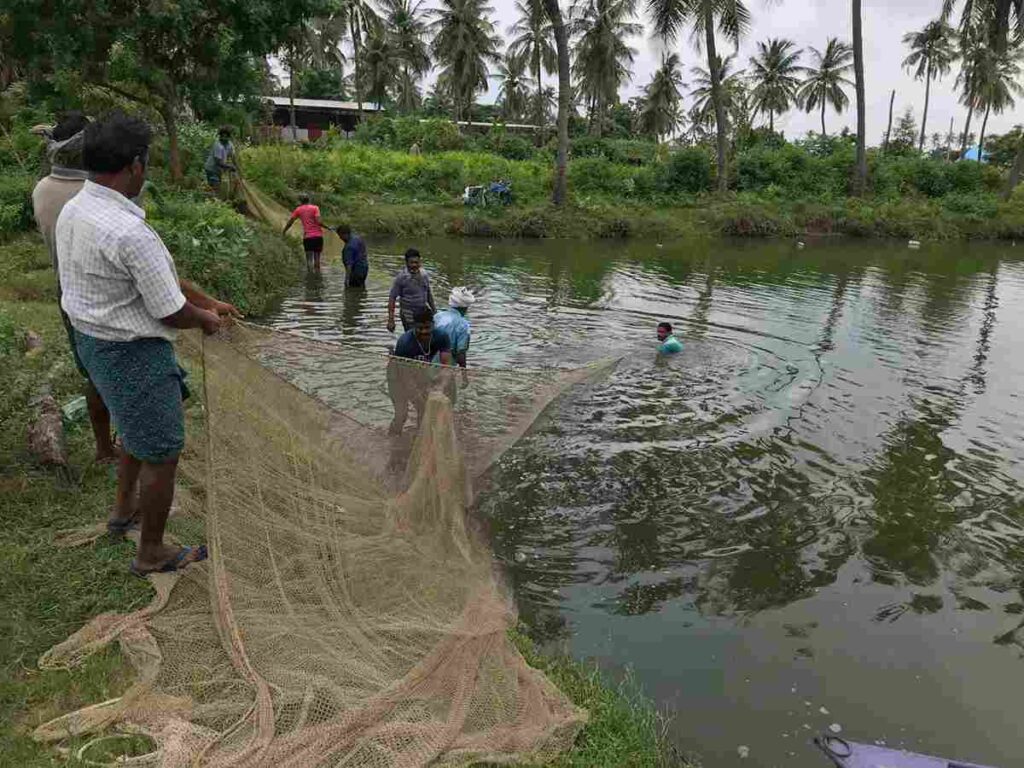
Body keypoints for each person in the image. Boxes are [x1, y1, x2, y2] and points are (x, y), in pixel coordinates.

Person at [56, 112, 240, 574]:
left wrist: (209, 301)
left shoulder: (76, 208)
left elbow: (159, 279)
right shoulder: (129, 231)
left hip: (93, 343)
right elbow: (170, 309)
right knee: (162, 450)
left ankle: (124, 510)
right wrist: (206, 320)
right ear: (135, 165)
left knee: (136, 432)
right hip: (131, 352)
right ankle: (151, 551)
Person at [32, 111, 117, 464]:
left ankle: (104, 448)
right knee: (117, 372)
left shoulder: (41, 189)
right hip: (104, 295)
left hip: (66, 293)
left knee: (93, 371)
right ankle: (125, 447)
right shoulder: (94, 195)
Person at [387, 307, 452, 435]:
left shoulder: (442, 337)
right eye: (420, 328)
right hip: (397, 375)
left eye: (427, 327)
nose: (424, 332)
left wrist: (440, 388)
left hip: (419, 370)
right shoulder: (405, 343)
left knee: (425, 411)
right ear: (413, 326)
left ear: (433, 324)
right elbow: (406, 380)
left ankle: (419, 439)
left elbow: (446, 367)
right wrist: (418, 399)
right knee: (402, 415)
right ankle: (393, 439)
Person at [387, 248, 435, 332]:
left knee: (426, 333)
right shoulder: (402, 277)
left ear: (420, 262)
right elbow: (392, 297)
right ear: (406, 263)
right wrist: (391, 320)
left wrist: (434, 310)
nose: (414, 265)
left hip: (422, 311)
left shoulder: (424, 275)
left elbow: (428, 293)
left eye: (416, 262)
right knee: (412, 335)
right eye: (411, 262)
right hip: (408, 314)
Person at [433, 287, 474, 370]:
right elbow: (461, 353)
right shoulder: (463, 324)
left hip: (429, 361)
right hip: (447, 364)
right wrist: (464, 372)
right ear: (466, 308)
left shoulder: (438, 316)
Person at [283, 194, 324, 272]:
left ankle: (310, 276)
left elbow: (290, 222)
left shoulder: (298, 210)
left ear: (300, 201)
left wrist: (284, 231)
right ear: (309, 200)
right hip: (318, 236)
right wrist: (327, 227)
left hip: (308, 237)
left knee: (309, 259)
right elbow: (319, 222)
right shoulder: (315, 208)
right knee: (317, 259)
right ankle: (317, 277)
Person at [204, 126, 238, 192]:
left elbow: (233, 157)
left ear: (229, 137)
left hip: (218, 169)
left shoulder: (230, 144)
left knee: (218, 187)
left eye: (226, 137)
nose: (224, 138)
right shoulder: (218, 145)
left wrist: (236, 167)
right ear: (220, 136)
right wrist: (230, 166)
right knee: (215, 187)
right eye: (222, 136)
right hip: (211, 169)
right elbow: (218, 162)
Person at [335, 223, 368, 288]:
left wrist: (347, 279)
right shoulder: (358, 238)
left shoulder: (349, 247)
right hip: (364, 269)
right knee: (361, 287)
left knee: (352, 290)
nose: (340, 238)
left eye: (340, 235)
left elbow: (349, 265)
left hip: (355, 272)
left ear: (345, 234)